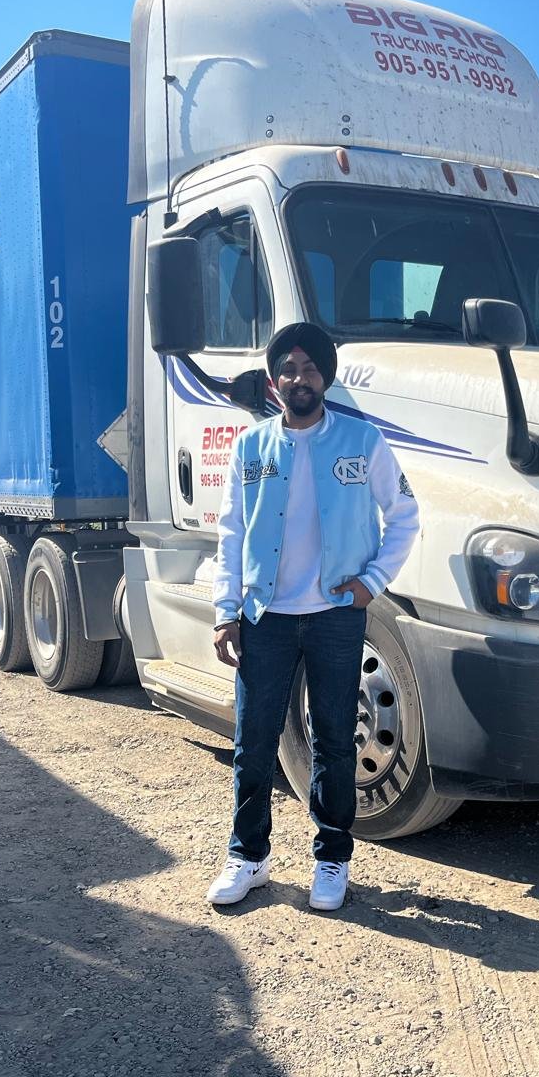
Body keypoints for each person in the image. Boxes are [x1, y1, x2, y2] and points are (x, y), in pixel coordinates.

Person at [205, 322, 419, 911]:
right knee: (253, 741)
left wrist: (372, 582)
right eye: (287, 369)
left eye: (308, 368)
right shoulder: (251, 447)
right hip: (264, 617)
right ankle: (248, 856)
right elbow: (231, 534)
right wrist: (225, 612)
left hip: (334, 616)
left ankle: (332, 859)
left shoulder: (362, 440)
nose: (298, 378)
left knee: (333, 741)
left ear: (325, 376)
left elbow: (404, 515)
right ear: (274, 381)